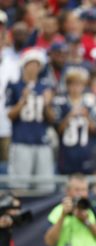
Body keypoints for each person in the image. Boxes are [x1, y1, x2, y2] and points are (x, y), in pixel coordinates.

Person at [6, 48, 56, 192]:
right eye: (31, 64)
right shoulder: (15, 86)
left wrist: (47, 104)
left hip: (42, 140)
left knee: (45, 186)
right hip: (21, 140)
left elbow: (52, 118)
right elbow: (9, 115)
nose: (33, 68)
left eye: (37, 65)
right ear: (24, 65)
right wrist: (23, 100)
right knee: (20, 186)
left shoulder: (46, 88)